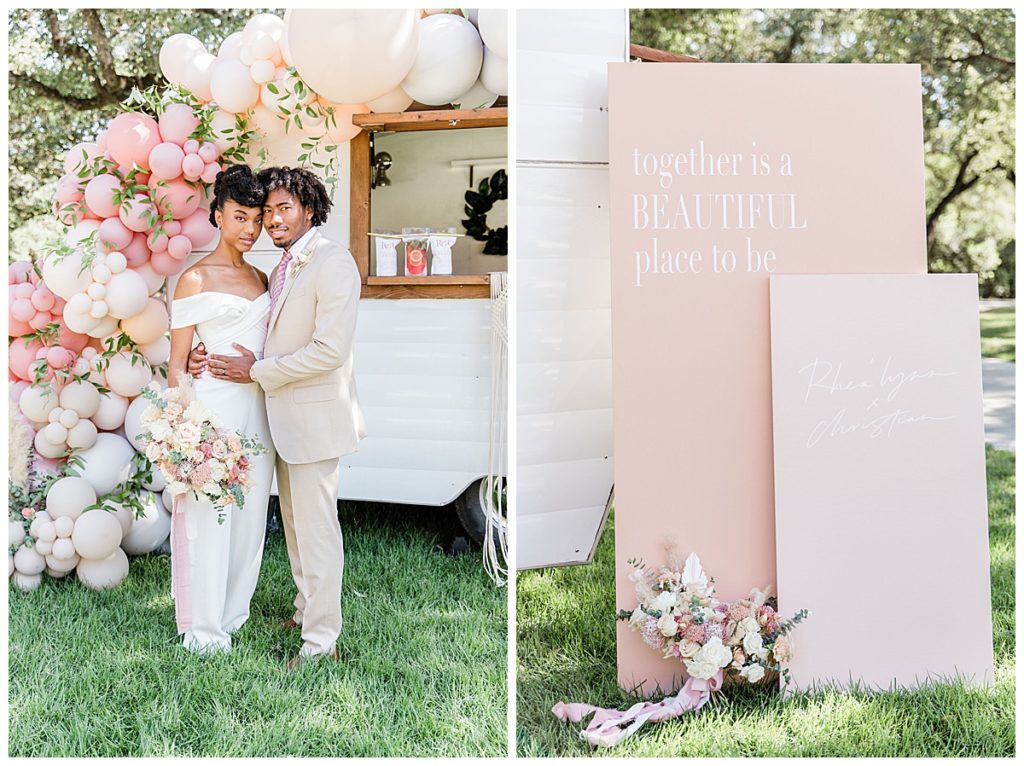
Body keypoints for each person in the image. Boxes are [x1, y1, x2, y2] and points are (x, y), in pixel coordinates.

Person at [190, 166, 366, 669]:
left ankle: (320, 643)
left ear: (310, 209)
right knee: (294, 527)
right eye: (267, 212)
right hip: (281, 421)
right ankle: (305, 609)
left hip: (313, 422)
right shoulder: (286, 265)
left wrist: (258, 370)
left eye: (283, 208)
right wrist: (204, 354)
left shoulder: (333, 263)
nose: (271, 220)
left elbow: (330, 350)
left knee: (316, 534)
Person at [166, 165, 276, 653]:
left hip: (260, 412)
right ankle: (204, 627)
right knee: (210, 518)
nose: (249, 229)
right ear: (217, 216)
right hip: (213, 415)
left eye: (255, 219)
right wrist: (185, 435)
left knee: (250, 518)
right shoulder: (193, 279)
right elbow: (176, 367)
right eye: (239, 217)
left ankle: (232, 614)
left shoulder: (264, 276)